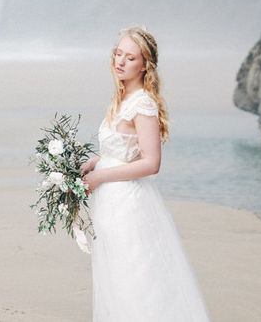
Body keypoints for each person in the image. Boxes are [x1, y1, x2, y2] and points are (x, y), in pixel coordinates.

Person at [81, 25, 211, 321]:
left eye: (130, 57)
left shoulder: (142, 104)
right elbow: (123, 151)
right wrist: (94, 162)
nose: (120, 61)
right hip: (109, 202)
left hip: (128, 204)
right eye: (118, 54)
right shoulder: (123, 98)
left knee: (134, 277)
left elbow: (151, 163)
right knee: (115, 276)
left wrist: (100, 176)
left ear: (144, 66)